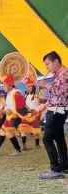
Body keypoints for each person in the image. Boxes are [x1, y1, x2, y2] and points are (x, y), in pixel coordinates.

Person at [38, 51, 68, 179]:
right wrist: (45, 102)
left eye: (48, 64)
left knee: (47, 139)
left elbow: (63, 92)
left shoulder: (64, 74)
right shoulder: (58, 75)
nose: (47, 68)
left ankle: (55, 169)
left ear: (56, 61)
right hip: (57, 109)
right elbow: (56, 95)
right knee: (59, 139)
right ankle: (64, 166)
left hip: (57, 111)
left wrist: (46, 85)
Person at [0, 74, 27, 156]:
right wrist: (3, 111)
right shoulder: (10, 93)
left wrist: (11, 111)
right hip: (10, 117)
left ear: (10, 85)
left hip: (16, 117)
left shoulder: (16, 92)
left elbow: (21, 106)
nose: (3, 86)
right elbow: (8, 106)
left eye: (5, 85)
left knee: (8, 133)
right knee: (2, 131)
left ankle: (18, 150)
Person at [18, 78, 44, 150]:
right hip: (26, 114)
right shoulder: (26, 95)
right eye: (26, 87)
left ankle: (37, 144)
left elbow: (43, 104)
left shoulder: (38, 94)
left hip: (35, 114)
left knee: (36, 130)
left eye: (29, 86)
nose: (27, 88)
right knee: (23, 129)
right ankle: (24, 145)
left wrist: (36, 110)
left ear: (33, 87)